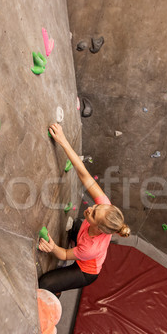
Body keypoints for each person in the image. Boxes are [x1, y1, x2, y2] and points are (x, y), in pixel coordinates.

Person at [38, 123, 130, 295]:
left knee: (44, 283)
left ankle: (57, 291)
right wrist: (63, 140)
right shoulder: (105, 207)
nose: (92, 207)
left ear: (100, 228)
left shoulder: (90, 248)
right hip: (84, 244)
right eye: (97, 206)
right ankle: (75, 238)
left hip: (85, 270)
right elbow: (84, 174)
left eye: (94, 213)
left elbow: (64, 255)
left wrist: (52, 248)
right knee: (78, 224)